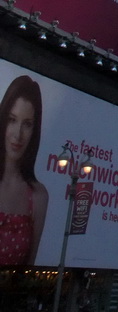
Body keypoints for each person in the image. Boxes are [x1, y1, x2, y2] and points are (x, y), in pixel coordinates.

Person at [0, 76, 49, 266]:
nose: (18, 134)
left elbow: (29, 271)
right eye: (12, 120)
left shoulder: (38, 197)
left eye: (27, 124)